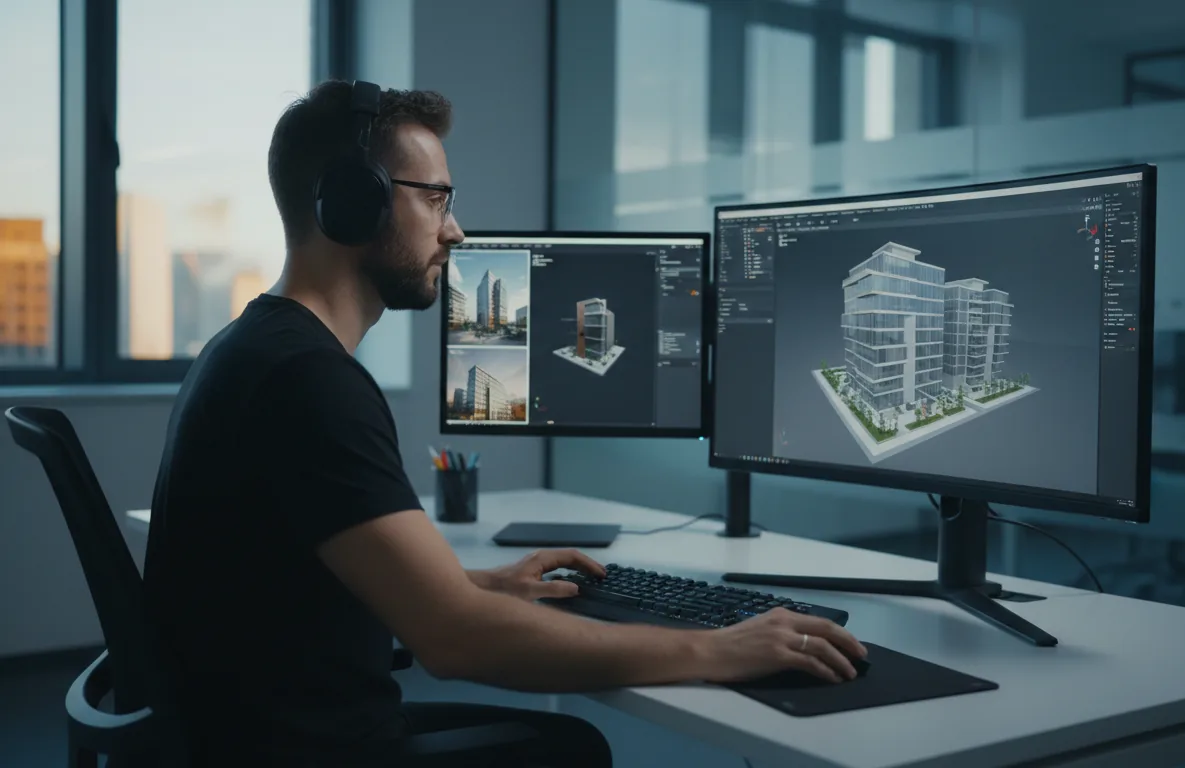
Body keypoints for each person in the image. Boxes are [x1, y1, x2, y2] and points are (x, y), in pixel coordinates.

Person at [142, 80, 866, 767]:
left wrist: (474, 588)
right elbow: (455, 644)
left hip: (252, 732)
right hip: (308, 751)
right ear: (355, 204)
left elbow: (306, 587)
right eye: (436, 199)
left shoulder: (253, 348)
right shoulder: (307, 380)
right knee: (570, 749)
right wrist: (718, 649)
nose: (455, 231)